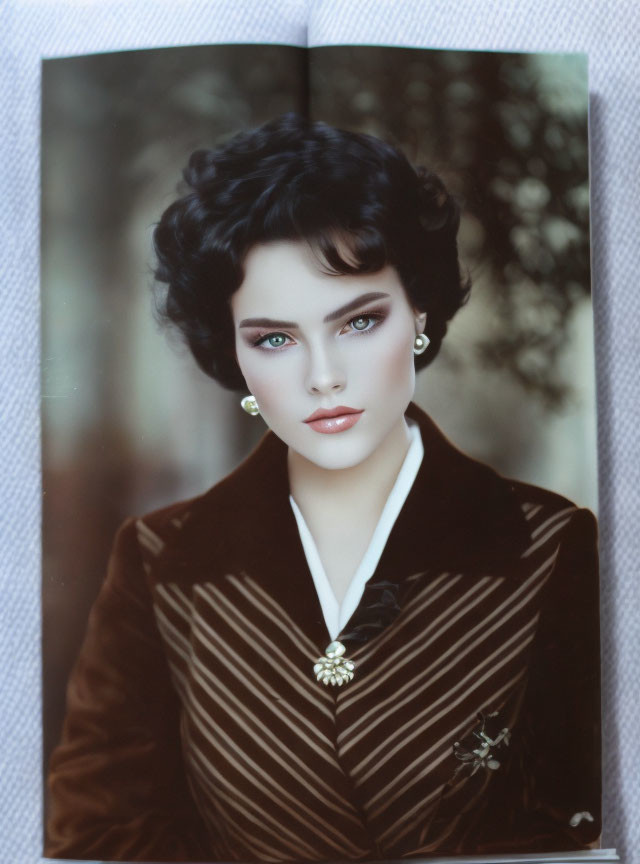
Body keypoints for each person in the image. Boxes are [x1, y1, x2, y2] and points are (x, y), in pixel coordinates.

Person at [45, 114, 601, 861]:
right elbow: (97, 834)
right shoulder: (160, 561)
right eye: (274, 339)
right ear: (234, 358)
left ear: (419, 317)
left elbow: (587, 830)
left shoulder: (550, 547)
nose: (323, 376)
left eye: (359, 321)